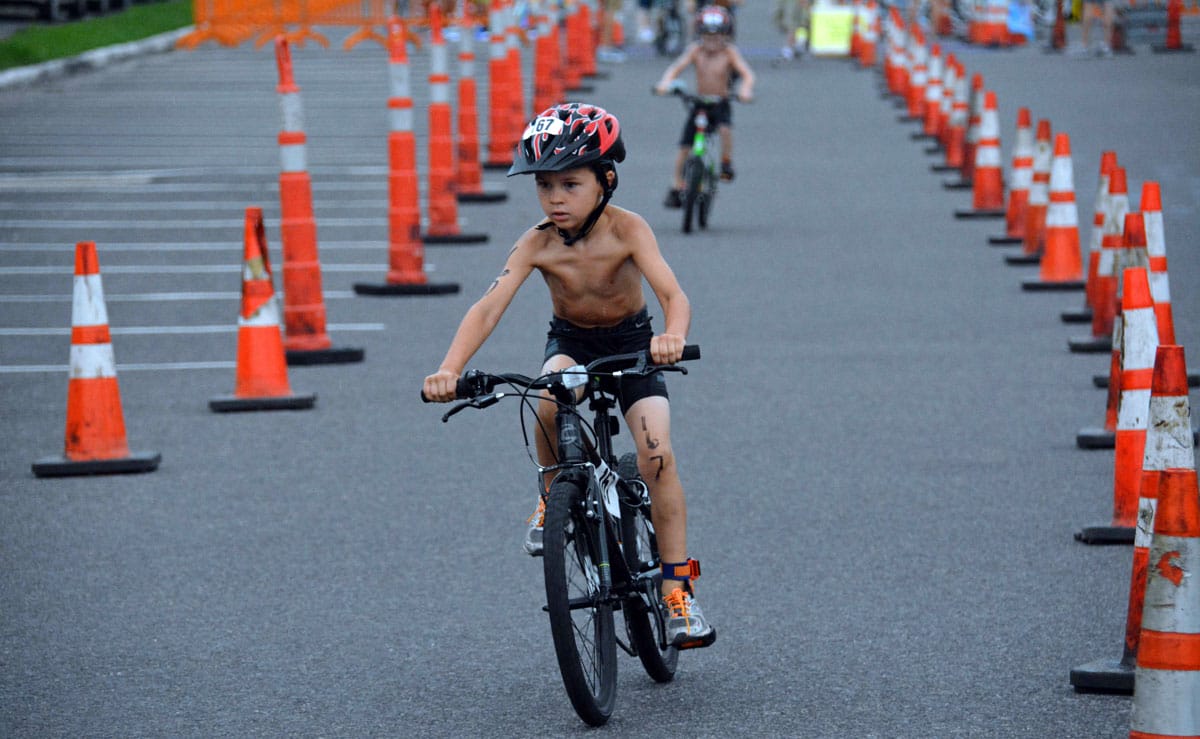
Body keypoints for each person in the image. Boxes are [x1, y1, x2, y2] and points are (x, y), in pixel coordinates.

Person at [422, 103, 716, 649]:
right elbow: (488, 306)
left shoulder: (630, 229)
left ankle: (679, 594)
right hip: (574, 344)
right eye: (545, 186)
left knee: (656, 455)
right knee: (548, 394)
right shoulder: (536, 242)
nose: (555, 198)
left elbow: (673, 295)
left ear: (606, 180)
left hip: (634, 346)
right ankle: (553, 490)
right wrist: (449, 369)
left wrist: (670, 335)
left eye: (570, 184)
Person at [653, 5, 754, 209]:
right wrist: (665, 83)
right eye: (708, 36)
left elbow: (747, 74)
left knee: (725, 130)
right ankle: (676, 186)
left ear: (727, 36)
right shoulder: (696, 51)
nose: (712, 41)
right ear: (700, 35)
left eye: (718, 36)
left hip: (720, 102)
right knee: (684, 147)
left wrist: (745, 89)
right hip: (699, 103)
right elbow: (676, 68)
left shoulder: (729, 53)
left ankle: (726, 162)